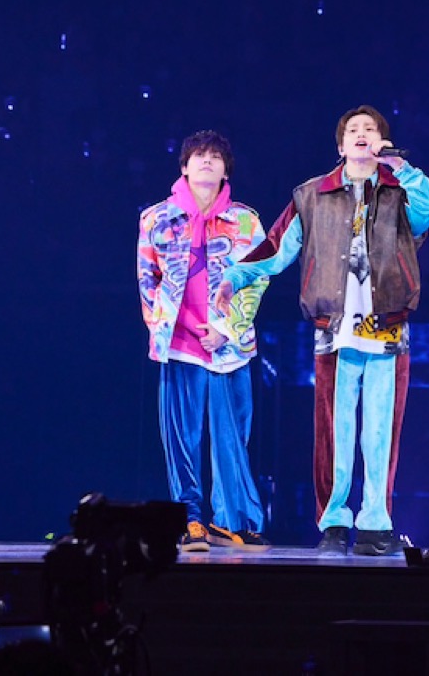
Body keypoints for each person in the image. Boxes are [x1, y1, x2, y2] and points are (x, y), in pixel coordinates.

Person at [220, 106, 429, 556]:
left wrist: (401, 167)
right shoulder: (312, 195)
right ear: (340, 146)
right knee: (335, 430)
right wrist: (235, 275)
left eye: (370, 129)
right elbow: (276, 247)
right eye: (353, 130)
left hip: (386, 325)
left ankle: (376, 521)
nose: (362, 134)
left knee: (380, 432)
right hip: (334, 327)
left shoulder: (400, 190)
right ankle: (335, 521)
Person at [137, 130, 271, 552]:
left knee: (232, 439)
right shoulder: (156, 218)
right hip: (179, 344)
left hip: (228, 346)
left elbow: (257, 279)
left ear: (226, 169)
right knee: (182, 440)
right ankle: (189, 520)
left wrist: (226, 329)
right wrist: (160, 327)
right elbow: (147, 279)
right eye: (198, 156)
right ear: (184, 167)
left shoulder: (246, 221)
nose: (207, 161)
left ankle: (233, 521)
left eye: (215, 156)